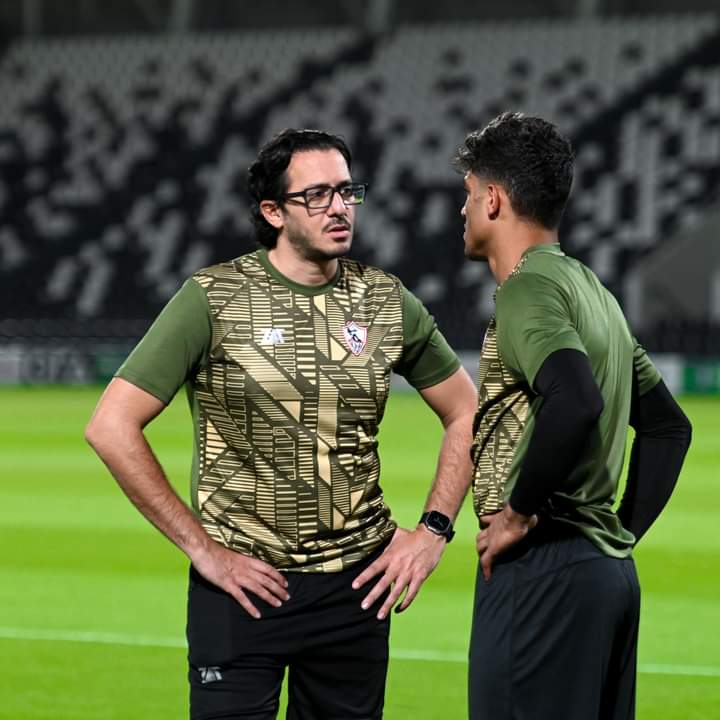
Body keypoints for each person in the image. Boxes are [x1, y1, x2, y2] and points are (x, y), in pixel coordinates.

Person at [85, 128, 476, 720]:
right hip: (242, 589)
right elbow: (111, 425)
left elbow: (467, 410)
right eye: (317, 195)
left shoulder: (385, 300)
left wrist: (433, 531)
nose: (339, 207)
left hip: (357, 589)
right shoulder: (212, 298)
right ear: (273, 212)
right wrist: (203, 550)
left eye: (346, 191)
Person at [453, 112, 692, 720]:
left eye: (469, 194)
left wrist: (516, 513)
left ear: (494, 200)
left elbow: (576, 399)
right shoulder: (594, 292)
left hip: (542, 573)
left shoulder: (527, 289)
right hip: (603, 579)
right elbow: (669, 426)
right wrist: (616, 537)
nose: (463, 209)